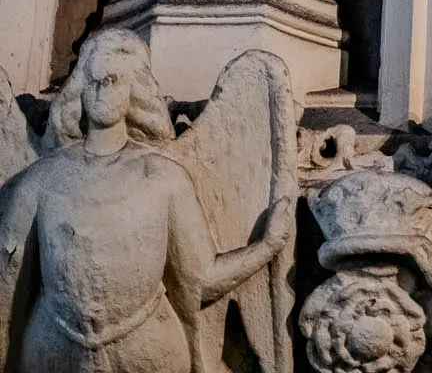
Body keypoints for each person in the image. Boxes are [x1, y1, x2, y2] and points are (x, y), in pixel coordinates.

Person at [0, 30, 292, 373]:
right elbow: (9, 284)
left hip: (147, 347)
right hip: (53, 347)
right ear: (78, 90)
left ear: (134, 91)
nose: (102, 88)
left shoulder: (165, 178)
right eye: (94, 79)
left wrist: (266, 246)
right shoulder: (40, 181)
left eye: (115, 79)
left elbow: (200, 277)